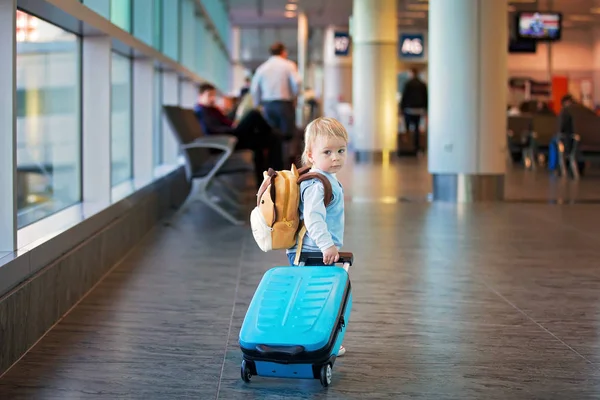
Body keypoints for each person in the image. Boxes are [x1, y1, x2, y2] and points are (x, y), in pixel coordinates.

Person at [285, 117, 348, 356]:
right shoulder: (317, 185)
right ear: (310, 155)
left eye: (341, 150)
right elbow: (313, 219)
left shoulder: (325, 178)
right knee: (313, 300)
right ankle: (309, 343)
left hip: (314, 250)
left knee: (317, 298)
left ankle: (314, 341)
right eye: (327, 152)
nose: (336, 157)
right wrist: (327, 246)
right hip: (311, 252)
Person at [193, 83, 284, 187]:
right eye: (209, 95)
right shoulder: (202, 110)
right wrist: (232, 129)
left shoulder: (211, 109)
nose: (212, 98)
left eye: (213, 95)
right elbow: (212, 130)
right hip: (225, 141)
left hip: (229, 138)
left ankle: (267, 182)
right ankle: (275, 177)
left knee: (272, 139)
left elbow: (223, 122)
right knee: (254, 115)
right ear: (200, 96)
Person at [251, 42, 301, 140]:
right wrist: (295, 96)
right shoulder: (289, 65)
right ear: (283, 52)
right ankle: (287, 155)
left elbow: (254, 88)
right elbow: (297, 82)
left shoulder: (262, 68)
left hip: (268, 105)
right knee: (287, 135)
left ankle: (275, 155)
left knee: (271, 134)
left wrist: (257, 104)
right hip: (284, 104)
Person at [400, 67, 428, 154]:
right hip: (419, 109)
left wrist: (401, 108)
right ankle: (416, 147)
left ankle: (408, 147)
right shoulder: (422, 84)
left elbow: (404, 97)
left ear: (411, 74)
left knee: (407, 128)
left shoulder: (408, 84)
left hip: (409, 109)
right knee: (416, 129)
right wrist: (426, 109)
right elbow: (426, 98)